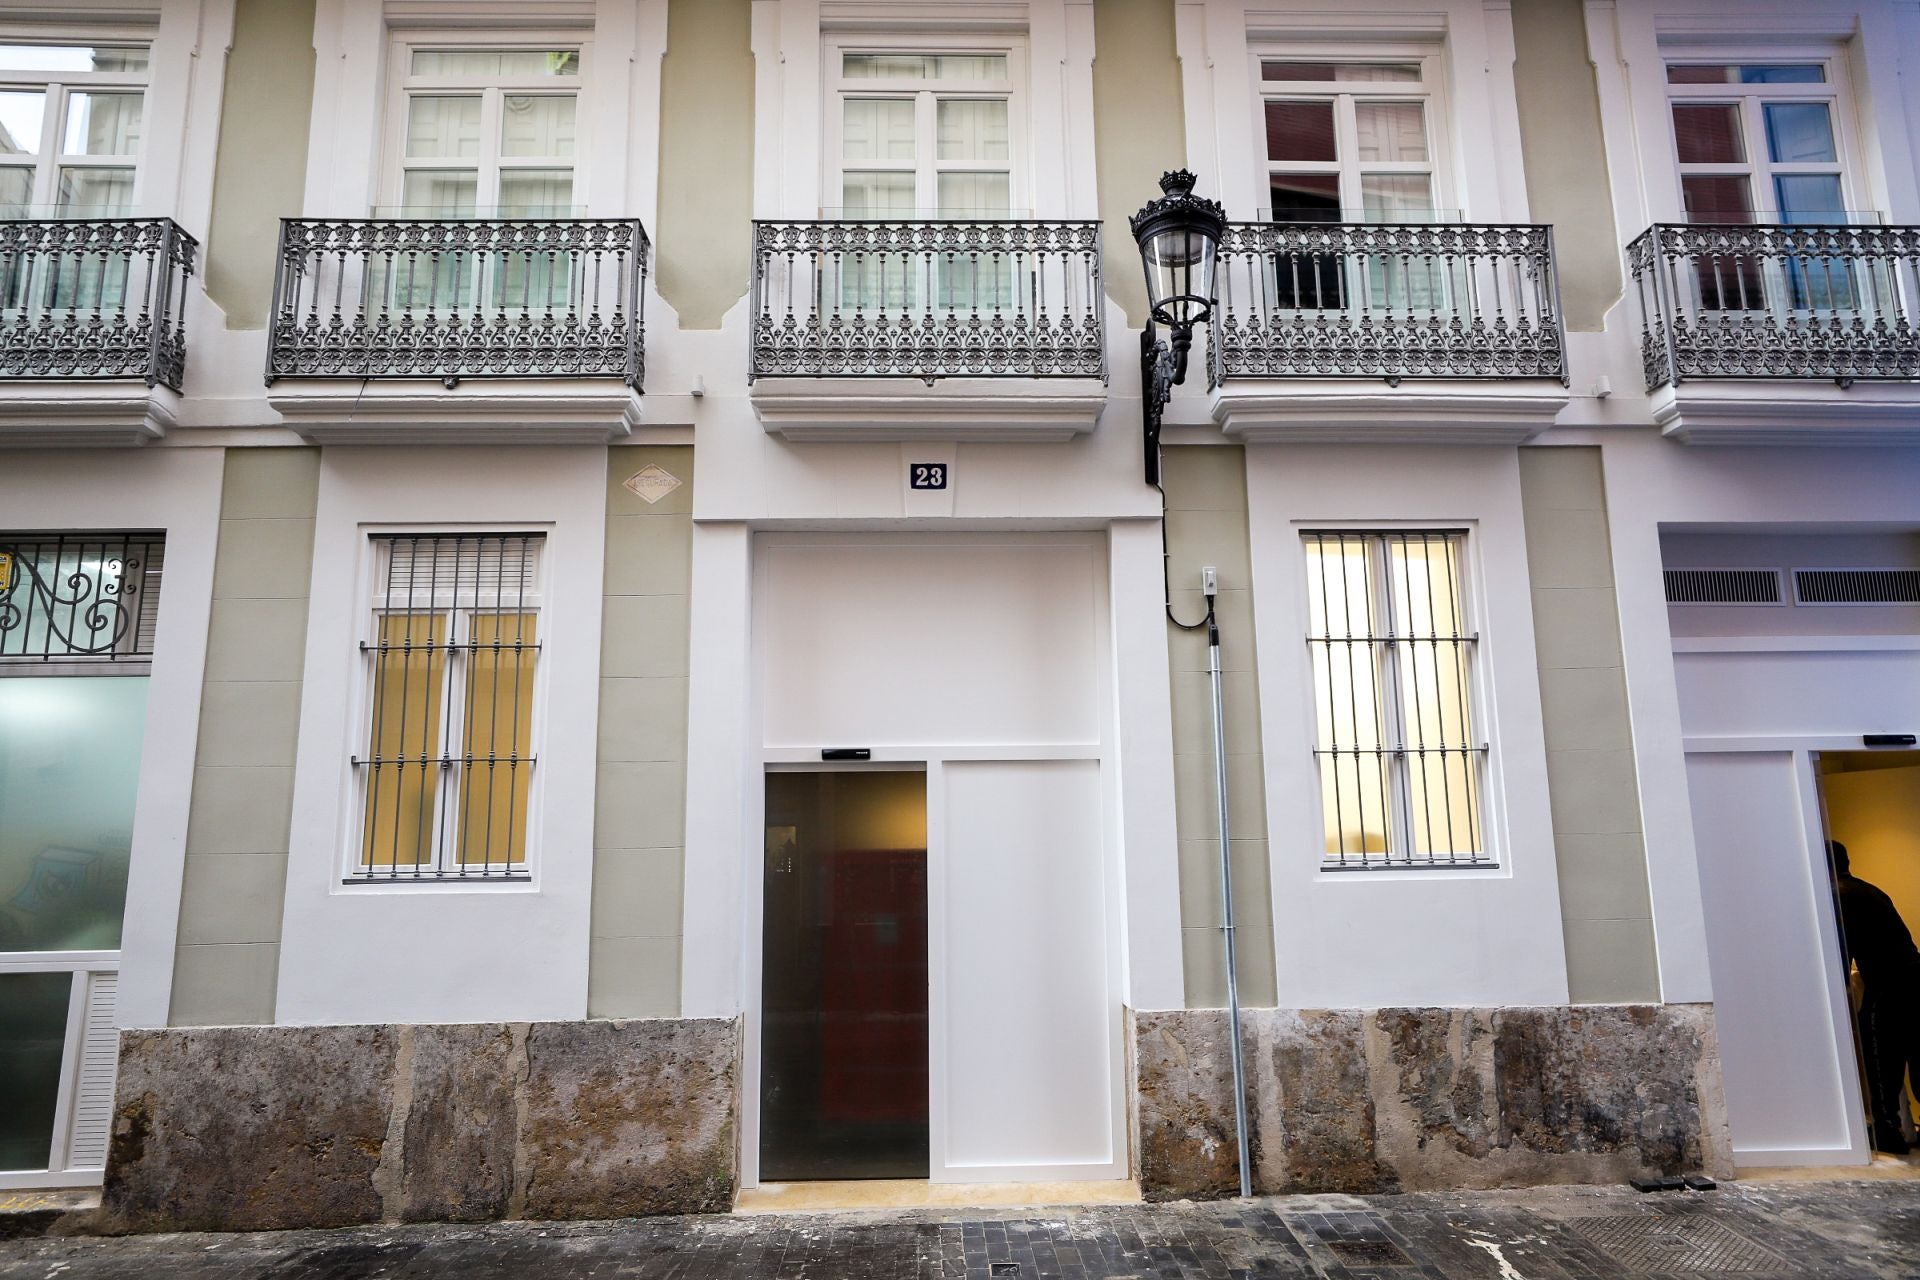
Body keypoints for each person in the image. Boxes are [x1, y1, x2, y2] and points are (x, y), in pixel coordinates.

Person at [1831, 840, 1920, 1155]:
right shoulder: (1872, 891)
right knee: (1915, 1057)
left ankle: (1888, 1132)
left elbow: (1842, 948)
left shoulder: (1838, 894)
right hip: (1913, 977)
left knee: (1882, 1058)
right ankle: (1901, 1130)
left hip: (1885, 984)